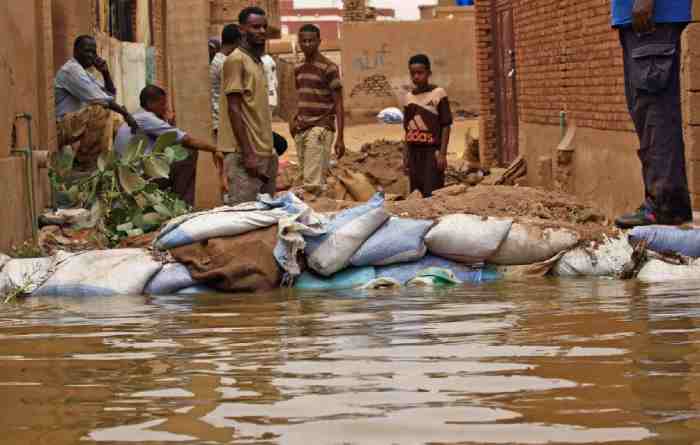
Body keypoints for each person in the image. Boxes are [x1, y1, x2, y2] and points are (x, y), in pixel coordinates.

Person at [613, 0, 693, 228]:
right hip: (641, 19)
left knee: (655, 112)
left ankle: (665, 207)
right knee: (647, 112)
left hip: (650, 17)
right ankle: (663, 204)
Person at [114, 85, 220, 205]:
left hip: (126, 177)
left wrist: (166, 120)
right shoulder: (147, 118)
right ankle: (182, 206)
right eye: (163, 104)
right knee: (189, 153)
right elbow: (186, 140)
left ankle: (171, 204)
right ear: (150, 103)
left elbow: (167, 140)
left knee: (171, 155)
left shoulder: (136, 116)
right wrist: (215, 149)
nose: (165, 108)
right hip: (139, 178)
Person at [219, 6, 278, 205]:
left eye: (264, 27)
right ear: (242, 29)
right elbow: (234, 108)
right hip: (244, 154)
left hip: (264, 152)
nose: (262, 31)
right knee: (243, 214)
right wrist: (248, 153)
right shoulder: (236, 60)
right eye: (255, 27)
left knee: (265, 213)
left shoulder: (258, 61)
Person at [55, 35, 139, 172]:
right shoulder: (71, 70)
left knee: (115, 121)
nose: (91, 56)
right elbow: (103, 100)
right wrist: (126, 114)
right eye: (87, 51)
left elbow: (109, 95)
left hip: (72, 125)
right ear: (75, 51)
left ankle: (110, 164)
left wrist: (105, 73)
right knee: (99, 110)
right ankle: (83, 165)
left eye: (94, 52)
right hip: (59, 128)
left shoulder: (83, 72)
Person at [291, 23, 346, 194]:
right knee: (305, 177)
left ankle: (314, 216)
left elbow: (338, 103)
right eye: (304, 41)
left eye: (311, 40)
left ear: (319, 41)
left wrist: (340, 138)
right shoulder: (297, 68)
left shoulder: (329, 68)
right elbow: (297, 96)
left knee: (312, 184)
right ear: (299, 42)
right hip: (301, 128)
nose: (307, 44)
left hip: (321, 127)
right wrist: (293, 120)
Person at [402, 54, 453, 198]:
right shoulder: (408, 98)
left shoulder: (438, 94)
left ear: (429, 73)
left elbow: (446, 125)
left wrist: (442, 153)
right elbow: (407, 130)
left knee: (433, 191)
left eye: (420, 72)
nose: (416, 76)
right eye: (413, 73)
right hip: (414, 151)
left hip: (432, 152)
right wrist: (405, 155)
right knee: (416, 192)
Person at [211, 25, 241, 138]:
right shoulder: (226, 63)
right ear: (238, 40)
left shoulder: (217, 60)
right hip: (222, 120)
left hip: (218, 118)